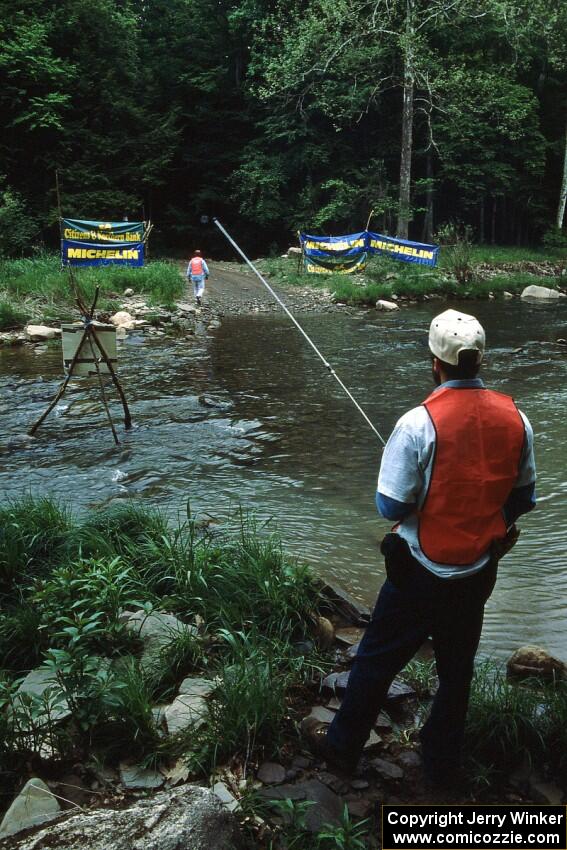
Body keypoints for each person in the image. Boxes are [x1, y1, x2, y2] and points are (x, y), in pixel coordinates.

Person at [304, 308, 536, 784]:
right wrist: (483, 523)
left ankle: (342, 750)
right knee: (457, 668)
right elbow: (523, 498)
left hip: (418, 570)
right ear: (480, 360)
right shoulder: (518, 418)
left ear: (436, 362)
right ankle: (441, 760)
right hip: (478, 571)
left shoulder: (416, 423)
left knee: (376, 660)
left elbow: (390, 507)